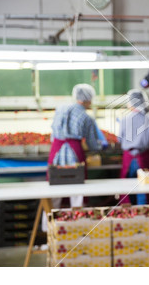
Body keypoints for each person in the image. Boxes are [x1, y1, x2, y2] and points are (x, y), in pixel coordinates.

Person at [42, 84, 105, 231]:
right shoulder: (86, 118)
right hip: (75, 153)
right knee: (77, 192)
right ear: (88, 99)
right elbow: (92, 144)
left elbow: (52, 135)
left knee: (53, 191)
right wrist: (102, 145)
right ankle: (77, 228)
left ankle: (49, 231)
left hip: (56, 151)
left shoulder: (61, 109)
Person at [118, 89, 149, 204]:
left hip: (128, 158)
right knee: (144, 188)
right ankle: (144, 214)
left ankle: (128, 214)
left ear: (131, 103)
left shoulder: (124, 119)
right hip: (143, 158)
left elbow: (119, 139)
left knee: (127, 188)